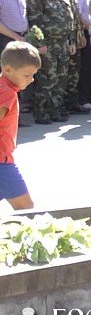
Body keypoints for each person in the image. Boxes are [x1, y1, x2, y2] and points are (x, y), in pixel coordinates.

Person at [25, 0, 76, 125]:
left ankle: (55, 110)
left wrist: (71, 40)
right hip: (47, 44)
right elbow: (35, 22)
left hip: (62, 43)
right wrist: (40, 43)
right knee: (46, 78)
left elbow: (70, 19)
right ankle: (41, 112)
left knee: (61, 78)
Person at [0, 42, 42, 210]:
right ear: (8, 69)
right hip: (2, 162)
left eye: (33, 75)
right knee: (26, 209)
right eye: (27, 75)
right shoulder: (7, 93)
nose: (31, 79)